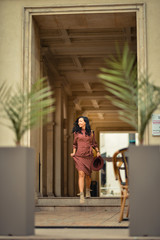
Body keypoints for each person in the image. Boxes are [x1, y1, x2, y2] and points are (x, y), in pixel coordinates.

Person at [70, 116, 100, 203]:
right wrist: (74, 153)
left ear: (85, 122)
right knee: (81, 174)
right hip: (79, 155)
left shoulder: (91, 133)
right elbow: (74, 144)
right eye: (78, 121)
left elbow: (94, 144)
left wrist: (97, 151)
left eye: (81, 121)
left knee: (88, 175)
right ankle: (81, 194)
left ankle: (87, 189)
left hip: (88, 155)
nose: (79, 123)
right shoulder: (76, 133)